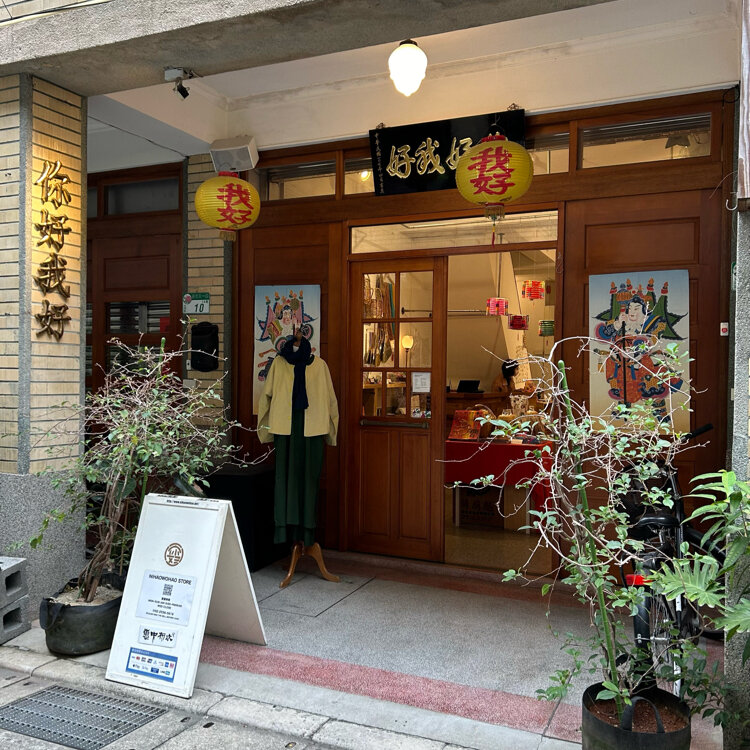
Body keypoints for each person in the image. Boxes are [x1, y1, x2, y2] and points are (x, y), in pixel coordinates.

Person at [257, 327, 338, 547]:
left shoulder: (320, 366)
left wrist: (331, 433)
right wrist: (265, 430)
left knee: (309, 480)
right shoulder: (279, 364)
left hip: (312, 431)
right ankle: (285, 532)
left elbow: (331, 400)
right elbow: (266, 397)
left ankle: (307, 532)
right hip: (286, 430)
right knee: (285, 480)